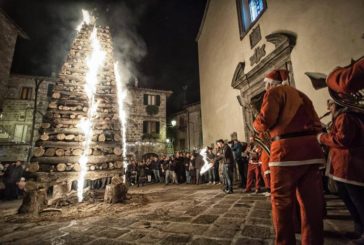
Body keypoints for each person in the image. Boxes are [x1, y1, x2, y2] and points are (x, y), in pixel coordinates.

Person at [253, 69, 325, 245]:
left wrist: (255, 124)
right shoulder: (302, 95)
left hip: (285, 153)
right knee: (311, 205)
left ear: (270, 83)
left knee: (281, 204)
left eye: (265, 84)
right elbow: (317, 124)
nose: (265, 87)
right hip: (311, 153)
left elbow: (265, 121)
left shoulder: (274, 92)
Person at [317, 57, 364, 244]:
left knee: (358, 201)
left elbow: (341, 139)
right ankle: (359, 228)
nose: (328, 106)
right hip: (343, 166)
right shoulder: (343, 116)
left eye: (330, 103)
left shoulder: (345, 116)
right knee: (349, 199)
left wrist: (320, 137)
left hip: (349, 166)